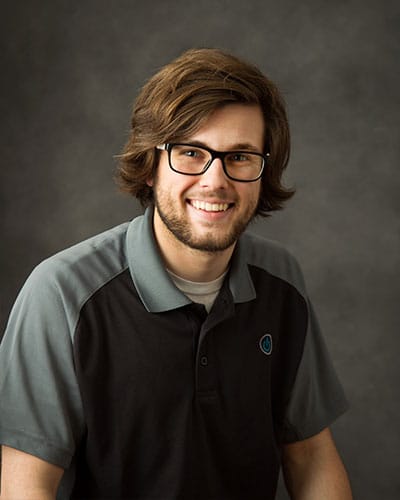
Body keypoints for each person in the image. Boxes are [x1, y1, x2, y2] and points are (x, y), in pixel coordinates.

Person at [0, 48, 352, 499]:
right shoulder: (62, 293)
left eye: (240, 156)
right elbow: (25, 485)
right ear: (150, 165)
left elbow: (310, 454)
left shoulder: (281, 281)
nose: (215, 181)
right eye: (190, 153)